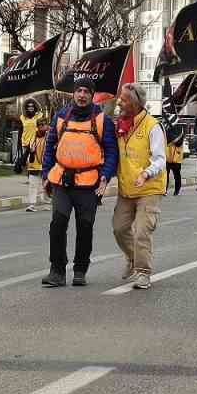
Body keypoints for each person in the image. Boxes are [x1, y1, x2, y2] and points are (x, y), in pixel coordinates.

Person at [40, 85, 119, 287]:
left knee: (85, 226)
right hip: (62, 180)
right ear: (73, 93)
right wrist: (46, 174)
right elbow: (50, 147)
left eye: (86, 92)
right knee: (57, 224)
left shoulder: (103, 120)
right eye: (79, 91)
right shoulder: (60, 116)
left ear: (92, 95)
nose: (82, 95)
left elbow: (111, 152)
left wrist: (105, 177)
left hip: (89, 183)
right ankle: (56, 271)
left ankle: (80, 270)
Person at [112, 83, 167, 289]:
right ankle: (133, 258)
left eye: (124, 99)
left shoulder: (152, 126)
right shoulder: (120, 125)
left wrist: (146, 173)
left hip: (149, 187)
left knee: (142, 231)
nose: (119, 102)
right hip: (127, 188)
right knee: (119, 228)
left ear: (135, 102)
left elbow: (161, 159)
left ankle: (143, 272)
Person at [23, 115, 49, 212]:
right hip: (34, 165)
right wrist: (31, 150)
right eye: (40, 125)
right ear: (37, 126)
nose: (42, 126)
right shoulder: (33, 136)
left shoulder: (49, 136)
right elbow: (29, 150)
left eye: (44, 124)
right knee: (33, 185)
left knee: (46, 185)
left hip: (46, 165)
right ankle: (32, 204)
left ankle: (47, 203)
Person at [18, 99, 41, 172]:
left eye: (32, 106)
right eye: (28, 106)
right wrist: (19, 140)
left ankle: (31, 173)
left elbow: (41, 126)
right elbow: (21, 129)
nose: (30, 108)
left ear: (34, 107)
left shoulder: (38, 116)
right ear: (26, 107)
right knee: (26, 159)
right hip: (25, 140)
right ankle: (27, 173)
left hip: (34, 140)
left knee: (32, 158)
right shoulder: (22, 117)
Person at [165, 123, 186, 196]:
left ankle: (177, 190)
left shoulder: (180, 130)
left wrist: (171, 135)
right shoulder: (167, 129)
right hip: (167, 157)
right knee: (165, 175)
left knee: (177, 175)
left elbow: (178, 143)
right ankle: (164, 190)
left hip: (177, 158)